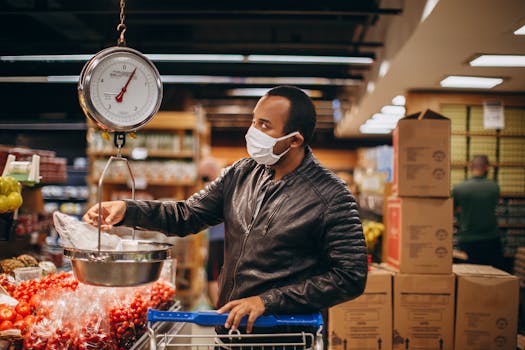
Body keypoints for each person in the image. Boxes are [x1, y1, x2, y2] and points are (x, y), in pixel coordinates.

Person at [83, 85, 368, 339]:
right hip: (231, 329)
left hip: (285, 336)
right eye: (254, 121)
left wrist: (268, 301)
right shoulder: (241, 174)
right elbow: (187, 214)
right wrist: (128, 210)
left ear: (295, 140)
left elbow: (350, 276)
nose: (252, 131)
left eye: (265, 126)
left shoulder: (332, 196)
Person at [452, 154, 505, 270]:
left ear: (470, 167)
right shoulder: (494, 187)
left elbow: (452, 210)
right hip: (491, 239)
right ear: (487, 168)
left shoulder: (459, 188)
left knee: (470, 278)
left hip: (468, 239)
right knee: (492, 277)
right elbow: (493, 206)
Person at [198, 157, 225, 308]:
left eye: (204, 175)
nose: (203, 179)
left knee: (214, 275)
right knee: (214, 273)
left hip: (220, 238)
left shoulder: (217, 187)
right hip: (218, 237)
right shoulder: (220, 185)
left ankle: (219, 309)